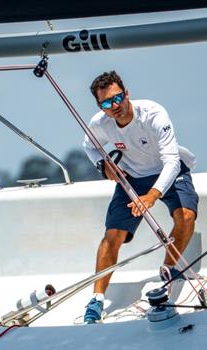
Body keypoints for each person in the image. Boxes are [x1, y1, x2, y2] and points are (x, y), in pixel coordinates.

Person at [81, 71, 199, 324]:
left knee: (186, 216)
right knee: (112, 236)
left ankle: (168, 270)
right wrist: (103, 166)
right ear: (99, 106)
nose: (115, 106)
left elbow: (171, 161)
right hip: (132, 177)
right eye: (106, 103)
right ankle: (97, 299)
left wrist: (152, 196)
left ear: (127, 93)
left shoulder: (153, 114)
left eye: (118, 98)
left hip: (170, 170)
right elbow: (89, 146)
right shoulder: (99, 123)